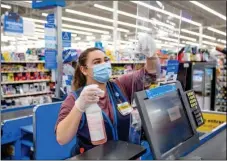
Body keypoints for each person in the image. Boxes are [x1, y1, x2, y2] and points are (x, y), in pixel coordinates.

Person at [55, 47, 160, 155]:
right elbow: (62, 138)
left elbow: (149, 76)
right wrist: (79, 107)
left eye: (106, 60)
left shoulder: (121, 85)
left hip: (124, 155)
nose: (104, 64)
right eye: (97, 62)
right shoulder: (75, 99)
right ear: (84, 70)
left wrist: (151, 55)